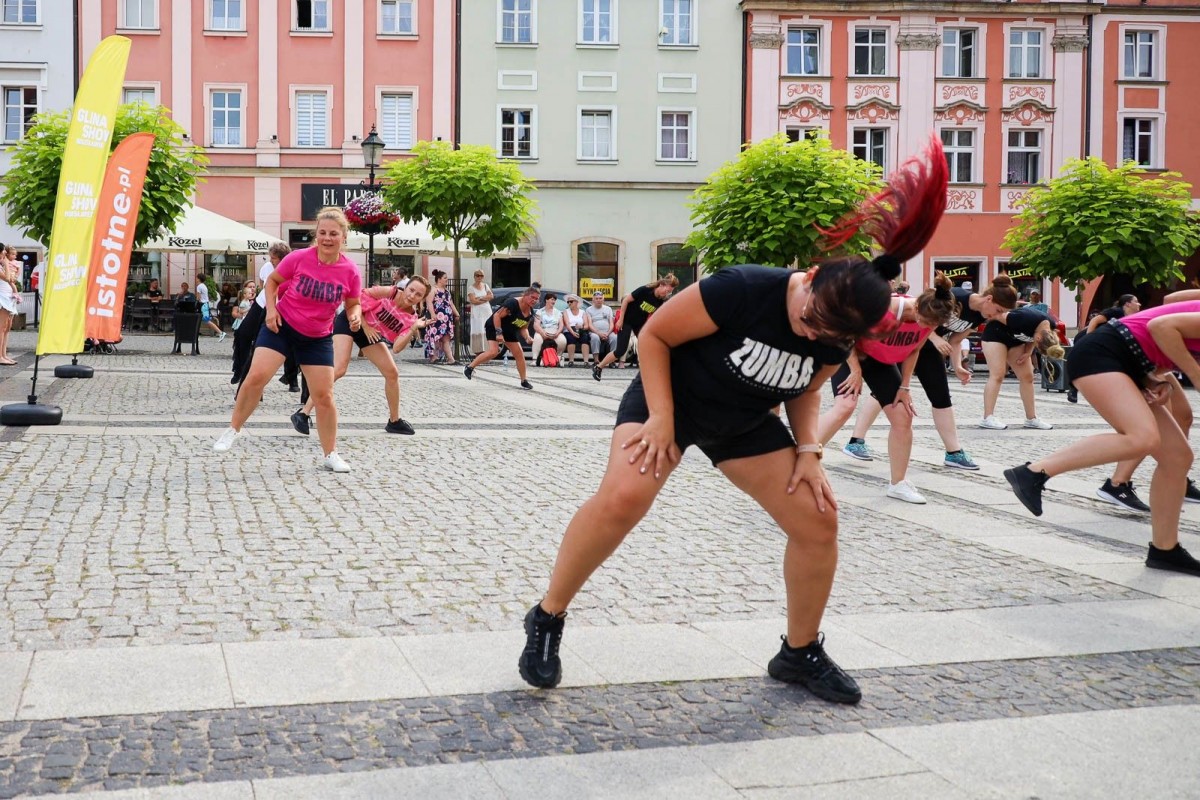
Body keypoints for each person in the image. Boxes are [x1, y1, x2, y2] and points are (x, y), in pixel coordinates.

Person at [517, 137, 950, 705]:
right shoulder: (744, 286)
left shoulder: (835, 331)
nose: (811, 333)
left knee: (818, 519)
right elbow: (654, 336)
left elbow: (805, 390)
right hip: (671, 396)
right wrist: (664, 422)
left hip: (744, 421)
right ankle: (548, 616)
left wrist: (809, 452)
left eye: (828, 335)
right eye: (809, 318)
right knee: (624, 498)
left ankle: (799, 653)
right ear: (812, 275)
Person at [1004, 294, 1200, 577]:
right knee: (1142, 437)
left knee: (1178, 457)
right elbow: (1161, 327)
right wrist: (1195, 375)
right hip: (1103, 353)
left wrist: (1152, 377)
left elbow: (1160, 337)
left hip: (1128, 361)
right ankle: (1033, 473)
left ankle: (1164, 549)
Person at [212, 207, 362, 473]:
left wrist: (355, 316)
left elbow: (353, 303)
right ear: (316, 234)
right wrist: (271, 310)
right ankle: (232, 429)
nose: (327, 238)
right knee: (256, 377)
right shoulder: (299, 258)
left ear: (343, 237)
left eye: (333, 234)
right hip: (282, 326)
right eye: (322, 233)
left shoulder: (349, 271)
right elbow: (272, 282)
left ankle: (331, 454)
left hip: (317, 337)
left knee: (324, 396)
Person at [817, 273, 961, 504]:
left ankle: (898, 484)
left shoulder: (929, 318)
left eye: (933, 325)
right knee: (846, 404)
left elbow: (914, 350)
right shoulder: (883, 308)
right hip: (847, 351)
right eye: (925, 321)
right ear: (916, 305)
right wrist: (855, 371)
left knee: (903, 417)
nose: (926, 326)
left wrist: (904, 386)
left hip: (878, 360)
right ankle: (801, 459)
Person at [292, 276, 430, 437]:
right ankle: (303, 413)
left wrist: (414, 328)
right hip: (353, 320)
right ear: (405, 287)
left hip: (369, 334)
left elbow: (398, 348)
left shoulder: (411, 318)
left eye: (418, 295)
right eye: (411, 290)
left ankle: (394, 421)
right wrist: (364, 325)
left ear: (422, 299)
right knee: (339, 369)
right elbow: (355, 299)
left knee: (392, 373)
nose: (412, 295)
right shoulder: (390, 292)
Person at [977, 277, 1055, 430]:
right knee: (998, 374)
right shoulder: (1022, 319)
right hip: (995, 335)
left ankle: (1031, 418)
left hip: (1015, 340)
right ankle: (988, 417)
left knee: (1027, 376)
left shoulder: (1046, 327)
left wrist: (1028, 352)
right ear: (1038, 337)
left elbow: (1035, 336)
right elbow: (995, 316)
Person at [592, 275, 679, 380]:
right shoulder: (645, 290)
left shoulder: (660, 300)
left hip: (639, 324)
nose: (667, 293)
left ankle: (651, 372)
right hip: (627, 321)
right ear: (661, 285)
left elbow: (656, 316)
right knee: (620, 351)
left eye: (670, 292)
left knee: (649, 345)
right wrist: (620, 320)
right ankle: (599, 367)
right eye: (667, 290)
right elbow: (626, 301)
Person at [232, 243, 292, 387]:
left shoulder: (291, 268)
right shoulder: (267, 267)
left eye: (274, 258)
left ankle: (292, 378)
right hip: (261, 304)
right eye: (271, 258)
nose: (271, 261)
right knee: (242, 334)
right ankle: (239, 369)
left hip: (280, 307)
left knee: (288, 346)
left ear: (283, 258)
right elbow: (263, 285)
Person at [463, 286, 539, 390]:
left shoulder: (530, 312)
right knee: (494, 351)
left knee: (519, 354)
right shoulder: (513, 303)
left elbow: (523, 327)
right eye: (532, 297)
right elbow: (497, 316)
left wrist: (527, 337)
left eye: (536, 298)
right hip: (494, 326)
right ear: (525, 295)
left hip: (509, 330)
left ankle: (523, 380)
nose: (534, 300)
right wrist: (499, 333)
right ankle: (469, 367)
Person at [424, 269, 459, 364]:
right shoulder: (433, 289)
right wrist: (432, 314)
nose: (447, 279)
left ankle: (450, 359)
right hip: (436, 317)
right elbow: (429, 302)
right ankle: (434, 356)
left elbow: (451, 303)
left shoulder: (446, 291)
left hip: (446, 318)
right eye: (445, 278)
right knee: (435, 336)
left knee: (446, 338)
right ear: (439, 279)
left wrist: (456, 313)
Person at [531, 292, 566, 366]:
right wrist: (542, 333)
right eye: (552, 299)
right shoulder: (539, 311)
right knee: (537, 338)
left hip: (555, 332)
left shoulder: (558, 312)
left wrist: (558, 333)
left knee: (562, 340)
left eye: (554, 300)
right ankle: (535, 359)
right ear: (546, 300)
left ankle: (558, 358)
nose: (553, 301)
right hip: (543, 331)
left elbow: (561, 325)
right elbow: (536, 325)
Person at [584, 291, 617, 365]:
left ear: (603, 300)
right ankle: (596, 360)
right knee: (595, 338)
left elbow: (611, 323)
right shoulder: (589, 310)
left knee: (615, 338)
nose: (598, 300)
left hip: (608, 332)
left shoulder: (608, 309)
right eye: (596, 298)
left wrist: (608, 333)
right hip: (595, 332)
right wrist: (599, 333)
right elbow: (590, 324)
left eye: (600, 298)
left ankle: (612, 361)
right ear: (593, 300)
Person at [467, 270, 494, 354]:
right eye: (477, 275)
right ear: (474, 277)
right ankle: (478, 351)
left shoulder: (486, 286)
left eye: (481, 276)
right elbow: (473, 301)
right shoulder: (471, 288)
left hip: (486, 311)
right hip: (477, 313)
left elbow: (491, 296)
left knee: (486, 329)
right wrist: (485, 299)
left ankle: (487, 350)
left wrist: (480, 298)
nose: (479, 277)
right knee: (478, 329)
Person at [194, 272, 227, 341]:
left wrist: (195, 303)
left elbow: (198, 297)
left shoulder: (199, 286)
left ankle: (221, 332)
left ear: (199, 279)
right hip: (205, 304)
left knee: (206, 321)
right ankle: (195, 334)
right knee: (201, 320)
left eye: (197, 278)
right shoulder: (204, 286)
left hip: (202, 305)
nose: (196, 279)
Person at [0, 242, 18, 365]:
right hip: (2, 298)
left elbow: (11, 278)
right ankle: (0, 356)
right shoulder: (3, 265)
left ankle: (4, 354)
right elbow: (7, 278)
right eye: (4, 251)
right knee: (1, 328)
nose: (5, 253)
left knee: (6, 328)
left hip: (8, 297)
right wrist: (6, 263)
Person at [562, 295, 592, 366]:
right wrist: (573, 332)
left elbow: (586, 325)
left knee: (585, 338)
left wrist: (582, 327)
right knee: (570, 338)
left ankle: (586, 362)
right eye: (568, 302)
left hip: (581, 330)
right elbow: (567, 324)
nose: (569, 303)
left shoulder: (582, 312)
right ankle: (571, 361)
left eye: (571, 301)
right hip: (569, 330)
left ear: (576, 302)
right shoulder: (566, 311)